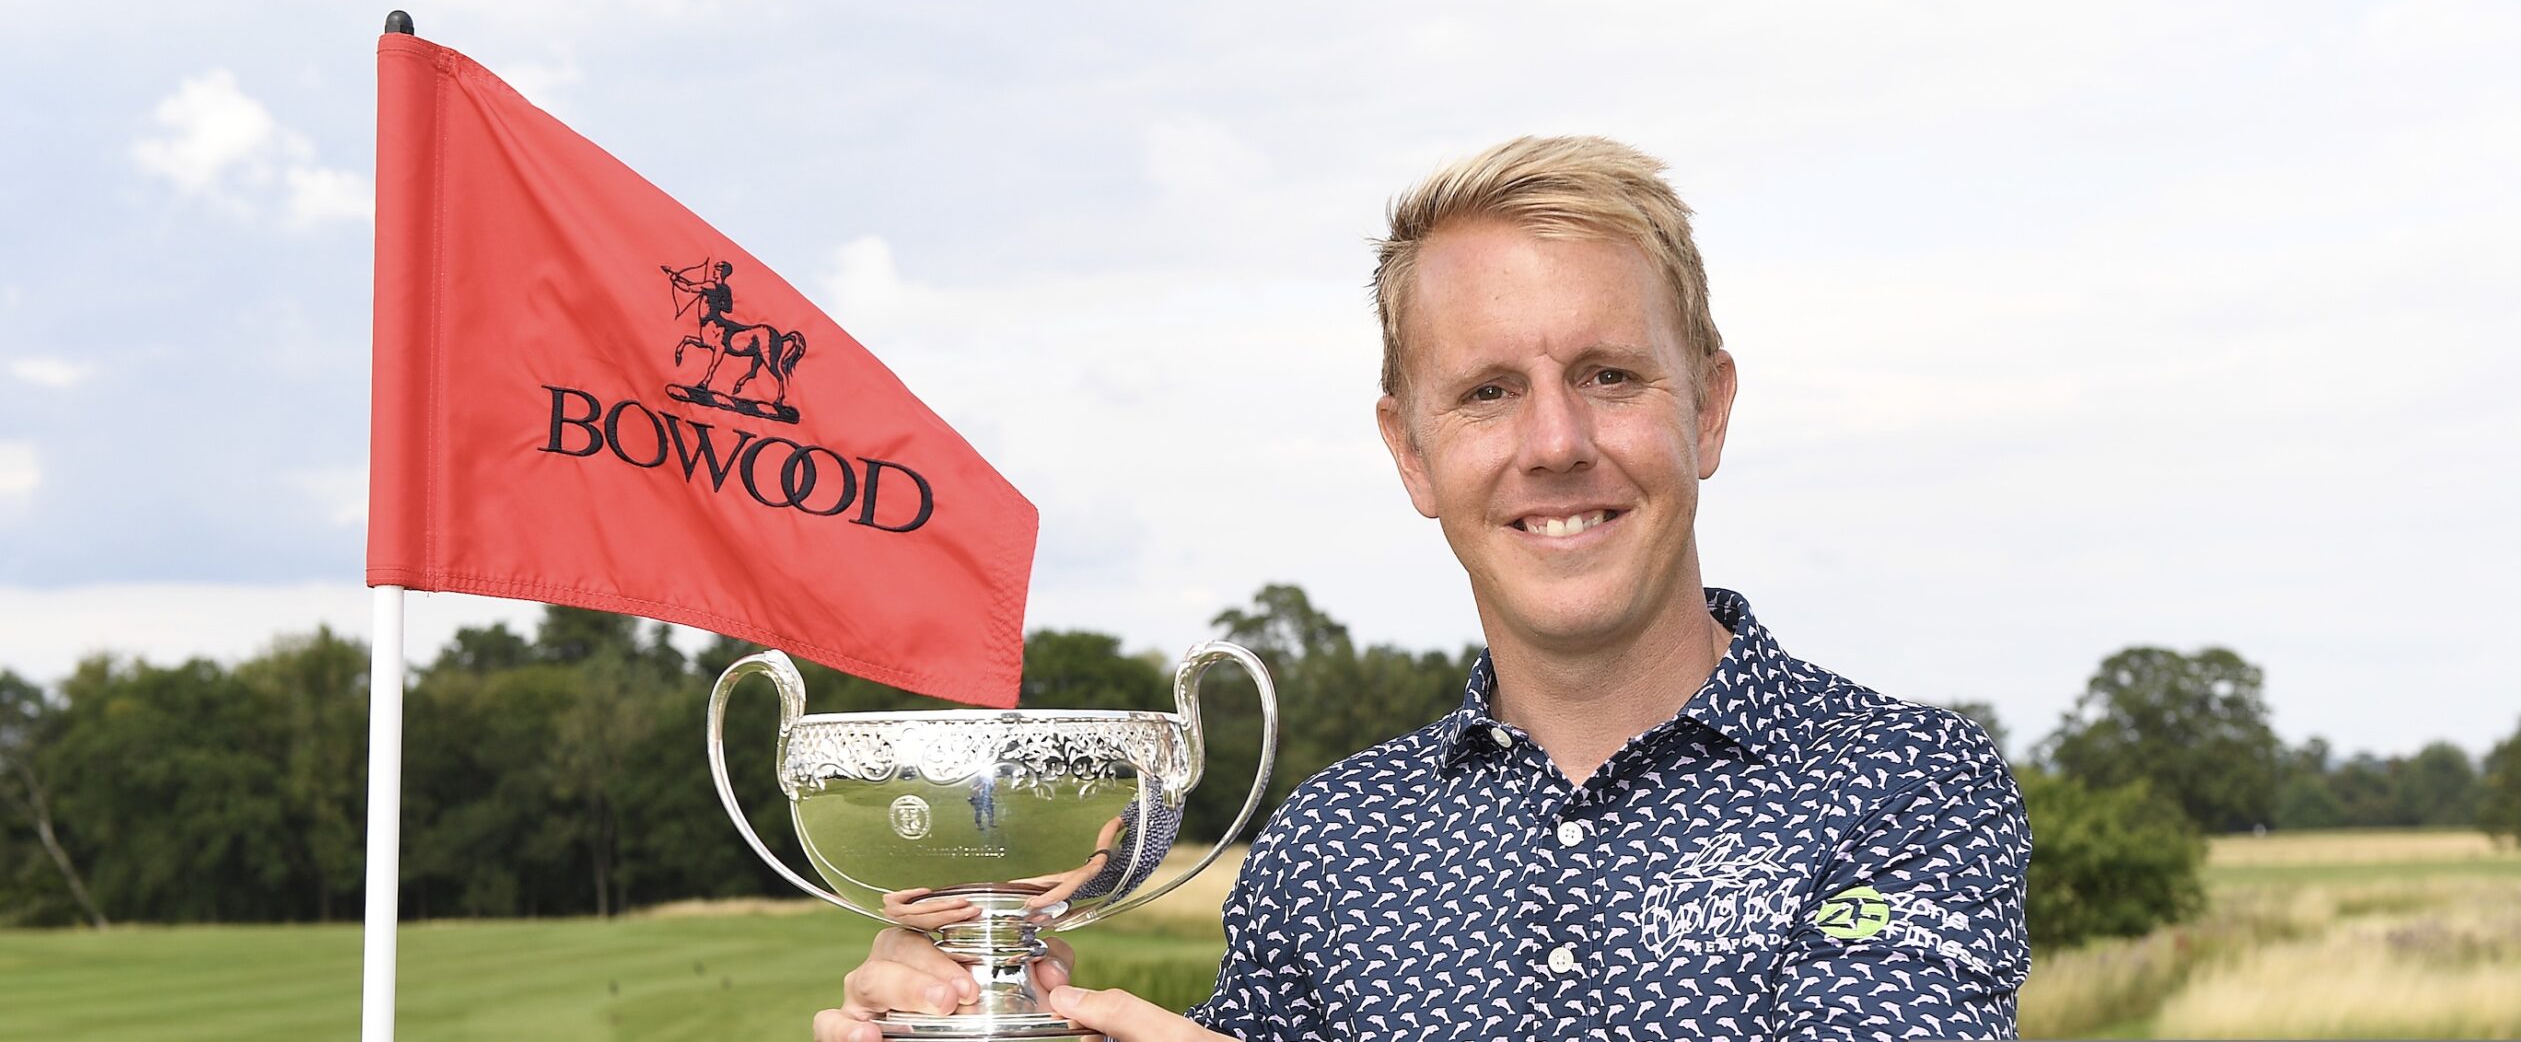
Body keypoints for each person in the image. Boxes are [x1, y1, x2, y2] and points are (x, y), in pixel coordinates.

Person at [816, 136, 2031, 1041]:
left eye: (1609, 376)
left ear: (1706, 408)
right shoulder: (1330, 845)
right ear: (1411, 452)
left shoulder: (1904, 787)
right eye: (1487, 391)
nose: (1554, 443)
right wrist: (980, 1007)